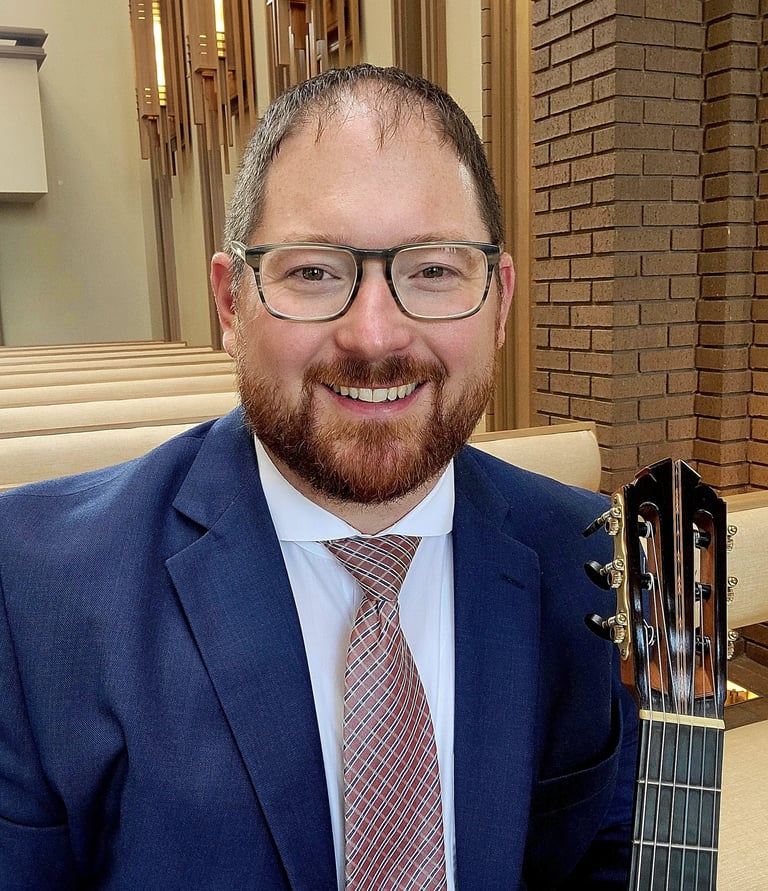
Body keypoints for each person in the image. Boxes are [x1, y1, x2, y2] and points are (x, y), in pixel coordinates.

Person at [0, 65, 636, 889]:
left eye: (434, 271)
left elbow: (600, 855)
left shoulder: (585, 551)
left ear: (500, 299)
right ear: (232, 304)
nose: (375, 334)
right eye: (314, 272)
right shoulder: (40, 585)